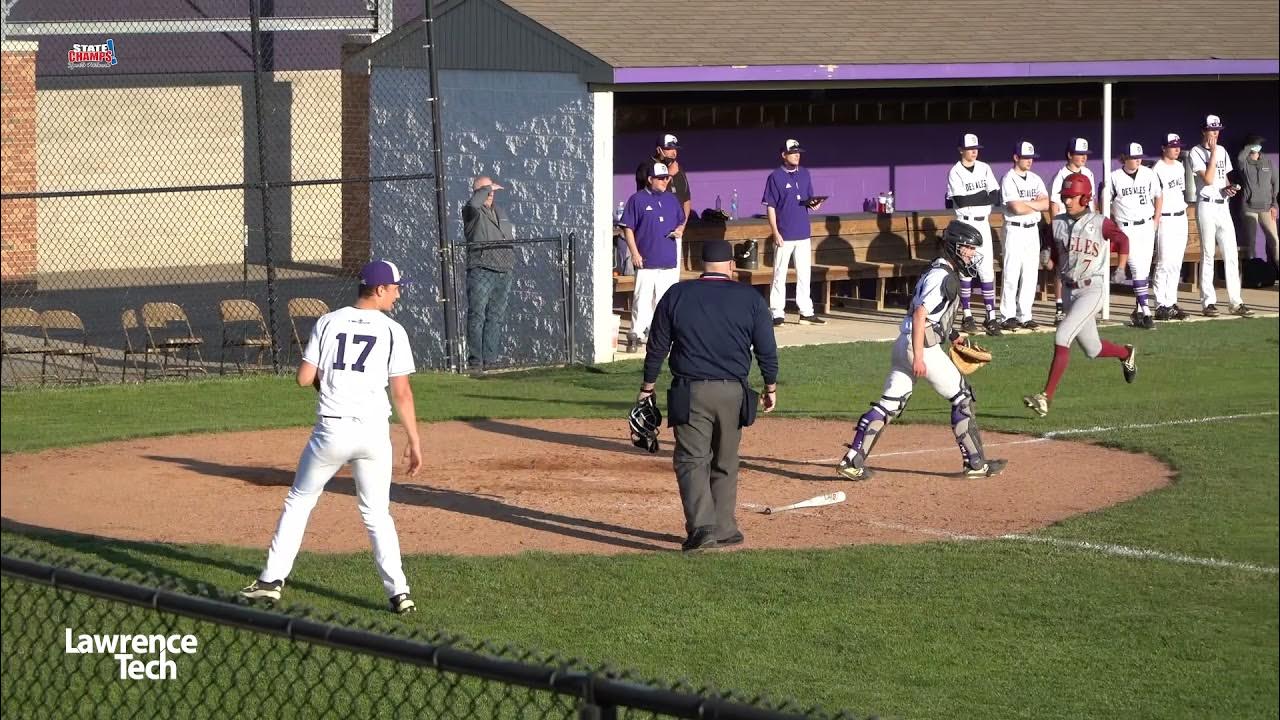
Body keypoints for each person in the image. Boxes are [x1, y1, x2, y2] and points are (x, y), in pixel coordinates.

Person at [241, 260, 423, 614]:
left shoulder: (328, 321)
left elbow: (304, 378)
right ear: (379, 289)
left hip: (332, 430)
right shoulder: (391, 330)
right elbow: (402, 393)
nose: (399, 293)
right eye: (396, 287)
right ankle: (399, 593)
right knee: (377, 514)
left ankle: (270, 581)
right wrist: (414, 441)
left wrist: (331, 386)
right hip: (373, 433)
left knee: (300, 501)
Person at [836, 221, 1007, 481]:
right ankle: (975, 463)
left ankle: (852, 461)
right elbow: (920, 314)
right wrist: (918, 356)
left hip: (903, 344)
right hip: (921, 347)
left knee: (889, 404)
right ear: (954, 247)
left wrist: (953, 336)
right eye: (969, 248)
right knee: (962, 397)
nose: (972, 253)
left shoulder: (934, 270)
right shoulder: (944, 276)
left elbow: (930, 314)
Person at [640, 239, 779, 551]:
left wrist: (647, 387)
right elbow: (766, 349)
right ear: (731, 265)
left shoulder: (677, 294)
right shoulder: (750, 297)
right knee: (726, 460)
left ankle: (703, 529)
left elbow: (657, 347)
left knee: (692, 460)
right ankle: (725, 527)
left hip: (691, 391)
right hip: (735, 392)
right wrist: (770, 386)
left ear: (700, 265)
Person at [1023, 174, 1138, 418]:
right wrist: (1048, 257)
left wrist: (1120, 268)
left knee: (1063, 334)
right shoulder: (1058, 223)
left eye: (1072, 197)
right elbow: (1054, 250)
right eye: (1065, 197)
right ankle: (1126, 354)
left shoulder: (1100, 222)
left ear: (1085, 197)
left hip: (1091, 288)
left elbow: (1123, 240)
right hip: (1068, 289)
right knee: (1092, 349)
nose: (1067, 201)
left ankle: (1045, 398)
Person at [1189, 114, 1253, 317]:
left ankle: (1236, 302)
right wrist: (1214, 153)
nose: (1215, 133)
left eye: (1217, 130)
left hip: (1222, 205)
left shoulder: (1222, 150)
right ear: (1204, 131)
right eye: (1211, 129)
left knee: (1231, 254)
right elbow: (1208, 180)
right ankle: (1208, 302)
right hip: (1206, 205)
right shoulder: (1196, 152)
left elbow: (1222, 178)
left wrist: (1229, 188)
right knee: (1208, 254)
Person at [621, 162, 686, 353]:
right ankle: (636, 333)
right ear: (650, 179)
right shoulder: (637, 199)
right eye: (660, 178)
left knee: (664, 300)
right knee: (642, 297)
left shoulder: (672, 200)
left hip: (667, 258)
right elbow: (628, 228)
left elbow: (681, 220)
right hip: (646, 258)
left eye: (666, 178)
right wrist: (634, 252)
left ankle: (659, 334)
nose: (665, 181)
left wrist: (680, 230)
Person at [763, 138, 826, 326]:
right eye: (793, 152)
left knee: (804, 273)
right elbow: (771, 206)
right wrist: (775, 231)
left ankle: (806, 311)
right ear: (784, 155)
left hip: (803, 232)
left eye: (798, 152)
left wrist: (815, 205)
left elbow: (807, 199)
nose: (797, 155)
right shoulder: (775, 176)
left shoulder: (805, 174)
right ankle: (777, 312)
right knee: (779, 273)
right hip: (784, 233)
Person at [945, 133, 1003, 336]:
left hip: (983, 224)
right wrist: (983, 196)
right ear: (961, 149)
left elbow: (995, 195)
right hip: (965, 225)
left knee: (987, 270)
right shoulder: (955, 172)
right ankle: (967, 315)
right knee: (966, 271)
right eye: (970, 148)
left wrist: (977, 198)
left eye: (976, 148)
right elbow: (960, 200)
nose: (974, 151)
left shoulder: (985, 167)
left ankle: (991, 317)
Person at [463, 175, 515, 372]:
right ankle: (475, 360)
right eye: (486, 190)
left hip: (503, 270)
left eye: (492, 190)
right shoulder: (471, 212)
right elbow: (473, 203)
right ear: (477, 192)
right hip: (481, 269)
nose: (490, 193)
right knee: (477, 315)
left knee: (496, 316)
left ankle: (491, 359)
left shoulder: (499, 211)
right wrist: (486, 188)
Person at [1107, 142, 1160, 329]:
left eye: (1139, 157)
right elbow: (1104, 203)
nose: (1138, 160)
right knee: (1137, 268)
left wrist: (1156, 219)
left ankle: (1137, 312)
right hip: (1126, 228)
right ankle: (1146, 312)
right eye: (1134, 157)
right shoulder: (1114, 177)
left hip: (1146, 224)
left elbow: (1158, 195)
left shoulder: (1148, 173)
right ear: (1125, 158)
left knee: (1144, 271)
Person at [998, 140, 1050, 331]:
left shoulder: (1035, 178)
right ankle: (1007, 316)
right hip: (1014, 228)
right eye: (1025, 157)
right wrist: (1032, 204)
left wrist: (1027, 204)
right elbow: (1016, 208)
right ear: (1016, 157)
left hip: (1032, 229)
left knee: (1030, 274)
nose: (1029, 161)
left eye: (1031, 158)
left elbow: (1046, 204)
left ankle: (1025, 315)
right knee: (1012, 273)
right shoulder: (1008, 178)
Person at [1049, 137, 1097, 325]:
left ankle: (1083, 306)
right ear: (1070, 155)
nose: (1083, 157)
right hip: (1066, 224)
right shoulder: (1061, 175)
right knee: (1063, 267)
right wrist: (1055, 228)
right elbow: (1054, 204)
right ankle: (1060, 308)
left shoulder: (1089, 173)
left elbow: (1092, 202)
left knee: (1086, 265)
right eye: (1079, 154)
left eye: (1085, 154)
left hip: (1085, 225)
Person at [1150, 133, 1191, 320]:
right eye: (1173, 146)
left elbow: (1179, 192)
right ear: (1163, 148)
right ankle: (1160, 304)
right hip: (1165, 217)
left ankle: (1171, 301)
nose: (1177, 149)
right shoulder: (1156, 169)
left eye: (1178, 146)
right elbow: (1155, 197)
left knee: (1176, 262)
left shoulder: (1180, 166)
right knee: (1164, 262)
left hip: (1180, 217)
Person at [1237, 134, 1279, 270]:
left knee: (1274, 240)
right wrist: (1249, 147)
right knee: (1250, 242)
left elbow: (1276, 184)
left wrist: (1274, 204)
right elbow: (1240, 158)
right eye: (1255, 144)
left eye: (1259, 144)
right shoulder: (1245, 162)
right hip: (1249, 208)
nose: (1258, 146)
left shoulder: (1268, 162)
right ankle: (1252, 271)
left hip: (1267, 207)